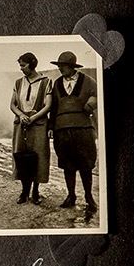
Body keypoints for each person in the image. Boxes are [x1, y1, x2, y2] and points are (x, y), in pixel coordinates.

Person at [48, 51, 98, 212]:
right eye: (59, 66)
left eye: (63, 66)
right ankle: (71, 196)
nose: (60, 69)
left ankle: (89, 197)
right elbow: (53, 108)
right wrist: (51, 127)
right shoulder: (57, 84)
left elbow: (99, 94)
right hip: (62, 131)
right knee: (67, 165)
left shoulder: (88, 81)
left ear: (71, 67)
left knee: (85, 164)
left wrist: (92, 103)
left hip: (83, 130)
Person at [9, 52, 52, 205]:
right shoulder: (18, 83)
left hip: (38, 125)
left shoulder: (46, 82)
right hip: (21, 125)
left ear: (32, 64)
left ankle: (35, 192)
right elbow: (12, 105)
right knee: (21, 155)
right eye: (20, 65)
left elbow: (48, 105)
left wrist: (33, 118)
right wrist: (21, 115)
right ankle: (24, 191)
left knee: (38, 156)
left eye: (23, 65)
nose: (21, 68)